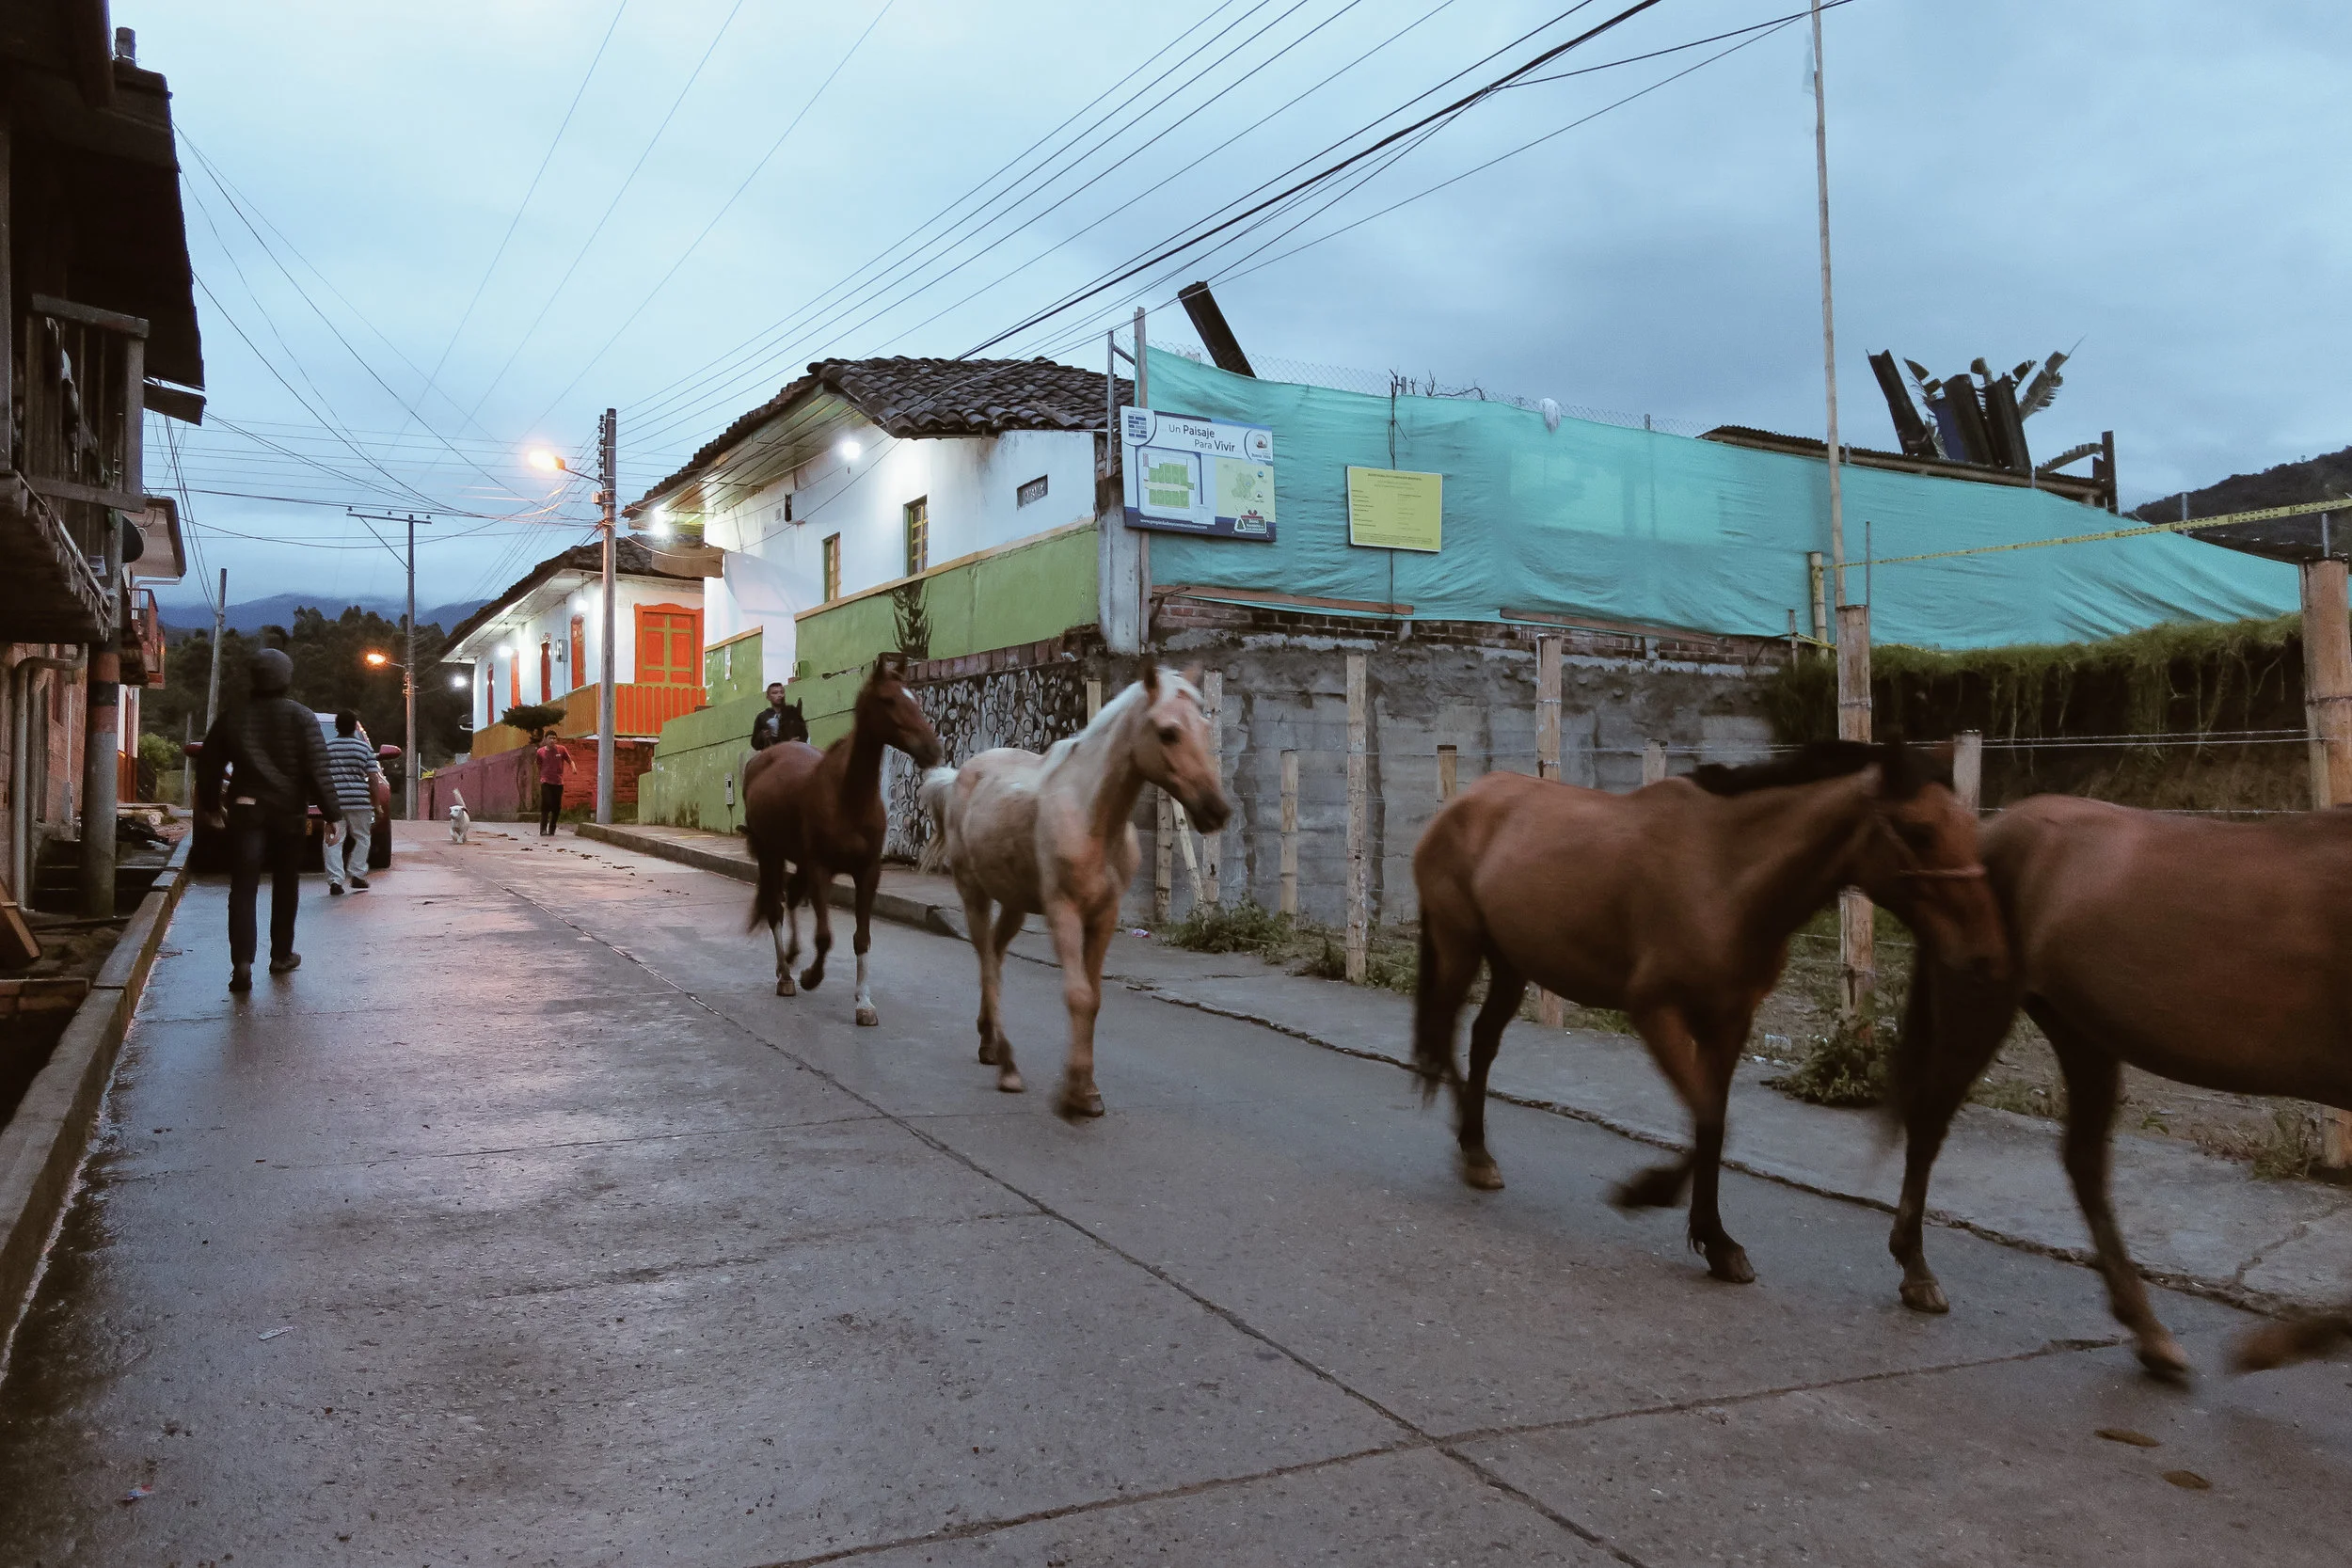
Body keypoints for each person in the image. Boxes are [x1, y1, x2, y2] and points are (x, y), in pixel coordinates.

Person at [196, 648, 342, 993]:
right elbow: (317, 769)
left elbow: (209, 763)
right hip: (288, 812)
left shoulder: (233, 717)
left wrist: (211, 806)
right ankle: (280, 955)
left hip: (246, 809)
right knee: (286, 883)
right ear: (286, 677)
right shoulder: (301, 717)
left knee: (243, 887)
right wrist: (332, 815)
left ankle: (242, 964)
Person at [323, 710, 385, 895]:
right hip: (359, 801)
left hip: (334, 802)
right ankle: (357, 874)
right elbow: (373, 778)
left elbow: (321, 775)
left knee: (333, 840)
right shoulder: (363, 749)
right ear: (355, 727)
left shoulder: (328, 748)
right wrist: (377, 804)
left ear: (336, 727)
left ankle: (335, 881)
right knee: (362, 837)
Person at [534, 733, 575, 835]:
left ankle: (552, 827)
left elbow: (570, 760)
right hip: (546, 781)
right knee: (546, 804)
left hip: (558, 782)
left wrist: (573, 768)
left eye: (554, 738)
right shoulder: (540, 752)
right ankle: (543, 829)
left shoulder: (561, 749)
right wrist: (541, 776)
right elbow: (538, 765)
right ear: (545, 740)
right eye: (550, 738)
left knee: (556, 807)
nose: (552, 740)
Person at [750, 683, 807, 750]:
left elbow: (804, 733)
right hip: (772, 755)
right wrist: (762, 736)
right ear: (768, 697)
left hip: (793, 751)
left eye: (782, 692)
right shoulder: (762, 717)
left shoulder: (792, 712)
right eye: (775, 693)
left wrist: (798, 740)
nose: (779, 695)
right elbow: (754, 744)